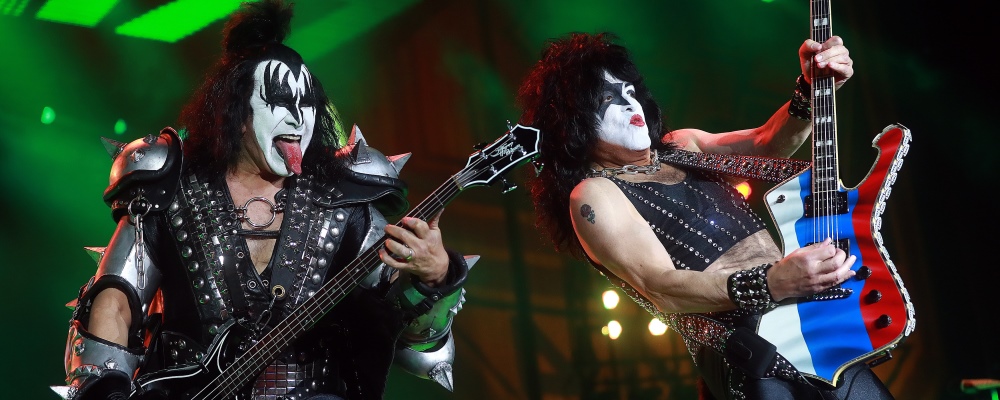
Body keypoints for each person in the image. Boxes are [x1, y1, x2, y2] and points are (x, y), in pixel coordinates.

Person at [52, 1, 471, 399]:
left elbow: (415, 342)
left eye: (307, 103)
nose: (298, 117)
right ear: (237, 111)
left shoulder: (343, 204)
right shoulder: (171, 192)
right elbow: (114, 301)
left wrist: (437, 277)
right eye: (279, 101)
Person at [516, 32, 895, 399]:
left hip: (803, 316)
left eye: (630, 91)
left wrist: (811, 92)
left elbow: (766, 143)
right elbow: (660, 286)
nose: (630, 104)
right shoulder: (593, 193)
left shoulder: (682, 144)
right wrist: (772, 283)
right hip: (747, 347)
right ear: (573, 121)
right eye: (607, 98)